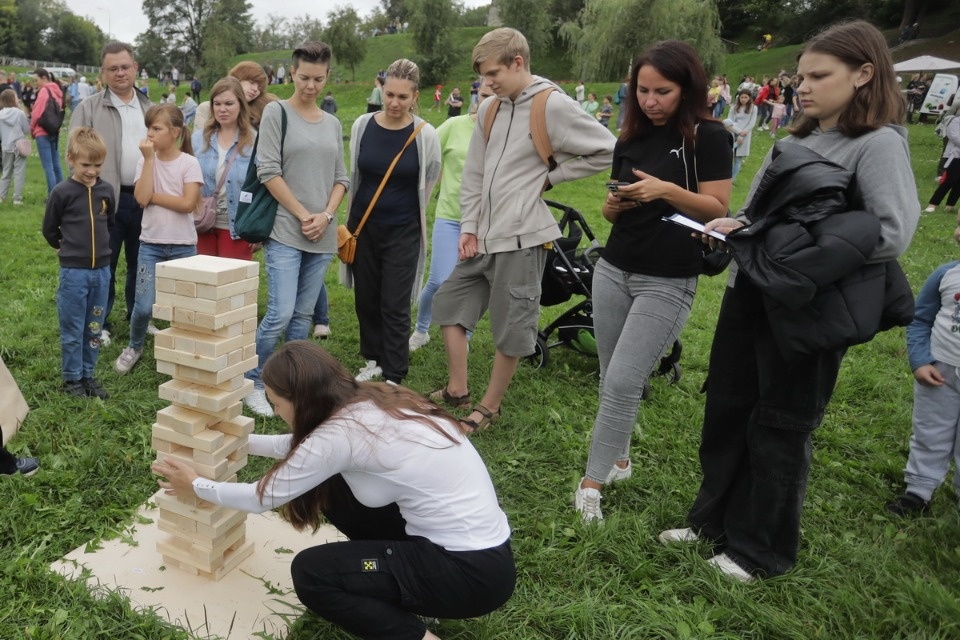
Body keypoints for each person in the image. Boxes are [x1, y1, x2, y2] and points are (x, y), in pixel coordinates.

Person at [661, 19, 919, 582]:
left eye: (818, 76)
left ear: (864, 74)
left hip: (805, 309)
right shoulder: (796, 140)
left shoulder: (877, 144)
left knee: (780, 424)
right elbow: (758, 216)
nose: (801, 86)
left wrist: (798, 246)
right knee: (728, 410)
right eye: (799, 75)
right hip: (748, 293)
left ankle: (759, 550)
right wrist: (734, 226)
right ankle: (712, 522)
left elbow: (892, 232)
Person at [153, 340, 515, 639]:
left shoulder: (339, 436)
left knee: (312, 574)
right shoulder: (373, 396)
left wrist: (196, 486)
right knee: (337, 495)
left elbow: (259, 498)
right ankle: (398, 583)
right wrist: (238, 440)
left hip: (467, 574)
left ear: (301, 399)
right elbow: (306, 451)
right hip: (481, 554)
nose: (278, 413)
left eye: (278, 405)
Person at [573, 40, 732, 522]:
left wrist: (664, 190)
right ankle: (620, 460)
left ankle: (591, 483)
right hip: (614, 268)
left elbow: (718, 208)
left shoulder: (709, 137)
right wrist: (614, 205)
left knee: (624, 380)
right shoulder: (631, 137)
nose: (650, 100)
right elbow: (608, 208)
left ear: (687, 89)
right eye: (642, 89)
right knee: (610, 376)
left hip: (669, 279)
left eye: (662, 91)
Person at [430, 28, 614, 431]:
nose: (487, 84)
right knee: (448, 305)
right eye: (482, 77)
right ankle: (458, 389)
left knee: (512, 327)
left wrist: (553, 177)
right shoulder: (491, 107)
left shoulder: (551, 105)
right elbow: (474, 173)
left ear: (518, 62)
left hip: (523, 237)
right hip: (482, 236)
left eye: (494, 73)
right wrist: (469, 226)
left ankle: (489, 407)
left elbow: (607, 149)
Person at [243, 42, 349, 417]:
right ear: (292, 73)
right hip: (287, 229)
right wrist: (305, 214)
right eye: (304, 77)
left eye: (318, 79)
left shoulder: (333, 123)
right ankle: (254, 380)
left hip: (322, 232)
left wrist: (326, 215)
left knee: (304, 315)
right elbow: (267, 171)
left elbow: (341, 178)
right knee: (281, 312)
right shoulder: (277, 112)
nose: (311, 85)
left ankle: (293, 385)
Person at [344, 58, 440, 385]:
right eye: (390, 95)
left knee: (395, 303)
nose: (395, 103)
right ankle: (373, 359)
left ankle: (394, 373)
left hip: (404, 230)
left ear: (415, 96)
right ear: (381, 90)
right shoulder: (361, 126)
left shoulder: (425, 135)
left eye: (403, 96)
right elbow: (356, 173)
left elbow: (430, 178)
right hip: (363, 227)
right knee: (366, 299)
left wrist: (410, 211)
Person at [70, 41, 153, 348]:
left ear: (136, 68)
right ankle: (99, 323)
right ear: (102, 72)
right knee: (103, 265)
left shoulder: (148, 107)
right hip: (101, 199)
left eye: (125, 67)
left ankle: (138, 316)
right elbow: (75, 155)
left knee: (140, 262)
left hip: (144, 198)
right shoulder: (88, 108)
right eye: (113, 68)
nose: (120, 73)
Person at [114, 103, 202, 375]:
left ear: (175, 132)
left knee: (185, 306)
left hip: (183, 247)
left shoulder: (189, 163)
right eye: (148, 128)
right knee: (142, 307)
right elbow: (141, 199)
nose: (149, 133)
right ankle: (135, 346)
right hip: (150, 246)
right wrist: (150, 161)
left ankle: (184, 351)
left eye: (156, 128)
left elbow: (188, 203)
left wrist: (154, 198)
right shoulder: (145, 161)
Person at [410, 86, 495, 353]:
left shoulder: (506, 132)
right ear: (476, 96)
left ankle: (465, 334)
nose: (488, 102)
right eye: (484, 95)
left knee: (477, 285)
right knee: (439, 280)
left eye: (496, 98)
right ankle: (421, 329)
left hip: (489, 223)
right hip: (450, 215)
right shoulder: (453, 126)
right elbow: (423, 152)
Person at [887, 217, 960, 516]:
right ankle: (919, 491)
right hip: (940, 373)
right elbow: (920, 320)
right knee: (930, 431)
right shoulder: (947, 275)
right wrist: (920, 361)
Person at [42, 128, 116, 399]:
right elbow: (50, 228)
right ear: (71, 159)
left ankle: (88, 374)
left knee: (94, 327)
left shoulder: (106, 191)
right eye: (86, 165)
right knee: (73, 328)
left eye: (97, 165)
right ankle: (72, 378)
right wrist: (66, 248)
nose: (92, 171)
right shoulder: (61, 192)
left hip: (102, 273)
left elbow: (111, 223)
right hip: (74, 273)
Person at [192, 77, 255, 261]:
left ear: (241, 105)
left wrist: (257, 227)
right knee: (203, 283)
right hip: (201, 224)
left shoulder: (255, 141)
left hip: (237, 226)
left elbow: (262, 186)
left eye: (229, 103)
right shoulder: (198, 140)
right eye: (217, 103)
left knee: (232, 286)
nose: (222, 109)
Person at [193, 61, 276, 130]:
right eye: (252, 83)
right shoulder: (206, 109)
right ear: (237, 79)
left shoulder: (264, 107)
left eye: (259, 87)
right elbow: (198, 144)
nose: (255, 89)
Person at [30, 68, 65, 194]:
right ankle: (62, 194)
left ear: (44, 78)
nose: (35, 83)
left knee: (48, 167)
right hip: (53, 131)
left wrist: (32, 129)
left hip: (42, 131)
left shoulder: (44, 90)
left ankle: (52, 196)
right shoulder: (58, 91)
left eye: (36, 80)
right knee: (57, 165)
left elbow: (37, 113)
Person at [924, 113, 959, 213]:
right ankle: (933, 204)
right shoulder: (956, 121)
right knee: (949, 180)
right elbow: (954, 137)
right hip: (955, 155)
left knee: (959, 183)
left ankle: (950, 206)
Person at [0, 88, 30, 205]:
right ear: (13, 99)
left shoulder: (0, 114)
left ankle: (2, 197)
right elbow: (26, 130)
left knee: (6, 172)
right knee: (19, 173)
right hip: (19, 146)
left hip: (6, 146)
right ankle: (17, 198)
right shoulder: (19, 113)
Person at [723, 89, 758, 181]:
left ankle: (732, 179)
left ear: (749, 98)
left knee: (738, 159)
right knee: (729, 156)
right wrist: (738, 132)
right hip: (733, 132)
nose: (743, 99)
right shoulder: (733, 107)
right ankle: (725, 177)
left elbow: (752, 123)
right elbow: (728, 121)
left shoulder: (754, 108)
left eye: (745, 97)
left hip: (745, 135)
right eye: (741, 97)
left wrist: (742, 135)